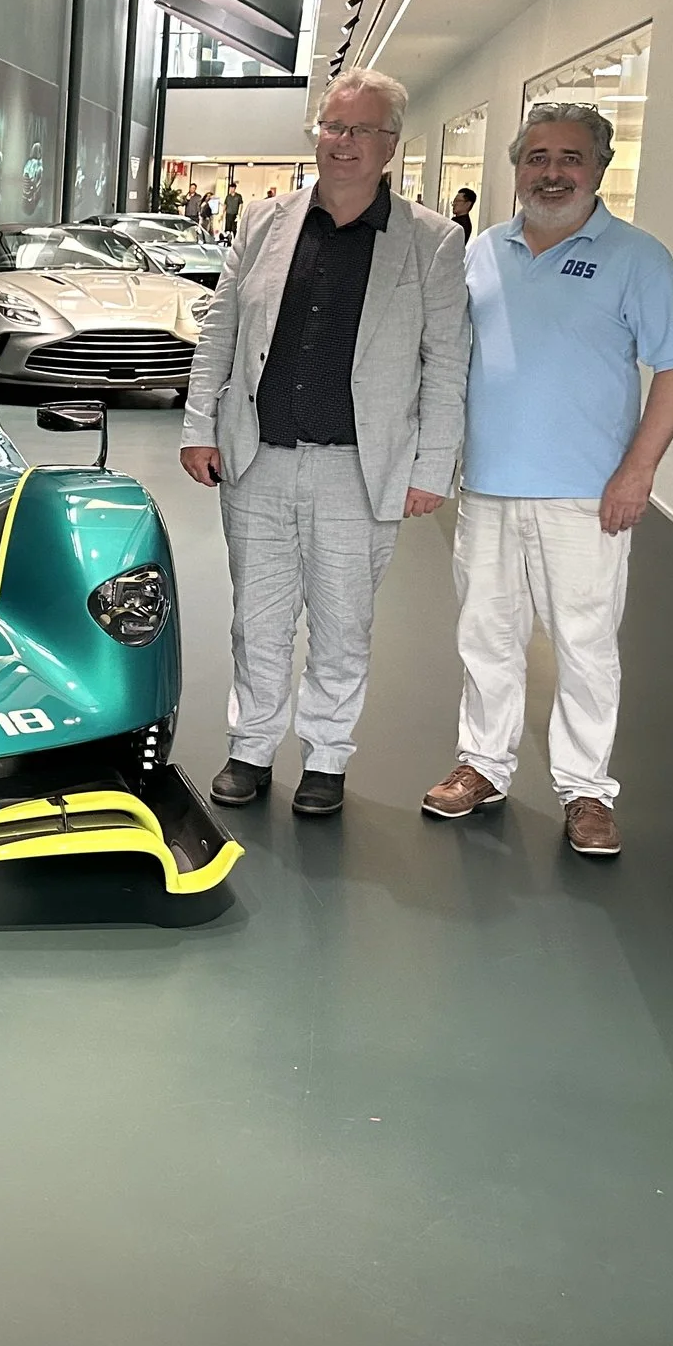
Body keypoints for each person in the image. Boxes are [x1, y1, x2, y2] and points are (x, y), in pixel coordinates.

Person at [179, 69, 468, 816]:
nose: (343, 144)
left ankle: (328, 758)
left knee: (343, 624)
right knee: (258, 619)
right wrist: (199, 425)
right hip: (258, 460)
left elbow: (446, 365)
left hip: (357, 471)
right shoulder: (265, 223)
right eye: (333, 128)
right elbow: (220, 333)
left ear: (390, 146)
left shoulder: (431, 243)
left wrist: (433, 466)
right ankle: (250, 748)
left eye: (361, 130)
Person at [422, 103, 673, 857]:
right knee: (486, 634)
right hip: (486, 487)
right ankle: (482, 763)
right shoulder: (481, 252)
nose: (552, 172)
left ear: (600, 167)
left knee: (583, 643)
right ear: (516, 168)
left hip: (587, 493)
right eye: (537, 156)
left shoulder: (638, 257)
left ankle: (586, 789)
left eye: (570, 157)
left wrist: (637, 470)